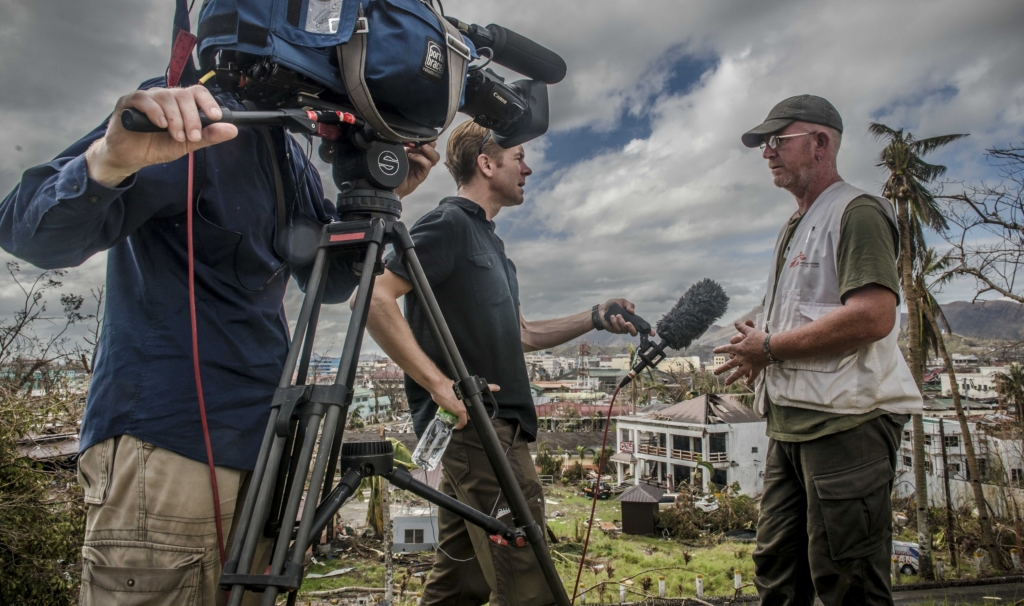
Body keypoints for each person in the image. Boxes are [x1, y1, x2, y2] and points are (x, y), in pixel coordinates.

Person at [0, 80, 439, 605]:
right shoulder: (192, 115)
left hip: (261, 441)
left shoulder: (284, 149)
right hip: (172, 443)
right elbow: (31, 233)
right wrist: (110, 160)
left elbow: (332, 279)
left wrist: (378, 194)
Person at [365, 120, 647, 606]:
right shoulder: (447, 223)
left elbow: (524, 334)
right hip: (479, 429)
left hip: (495, 428)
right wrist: (439, 386)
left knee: (461, 580)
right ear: (486, 163)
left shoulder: (494, 248)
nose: (528, 167)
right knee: (526, 579)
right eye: (518, 157)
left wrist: (597, 317)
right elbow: (373, 298)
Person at [712, 95, 923, 605]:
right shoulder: (797, 224)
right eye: (765, 144)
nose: (767, 153)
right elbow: (808, 307)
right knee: (779, 568)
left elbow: (873, 315)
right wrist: (759, 333)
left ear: (821, 143)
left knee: (847, 577)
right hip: (792, 425)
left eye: (778, 140)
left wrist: (770, 345)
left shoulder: (858, 212)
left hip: (845, 424)